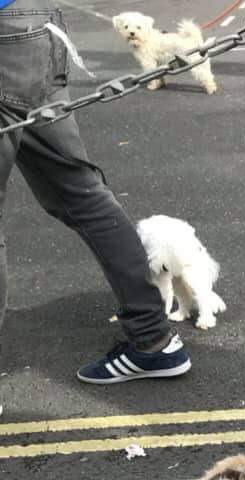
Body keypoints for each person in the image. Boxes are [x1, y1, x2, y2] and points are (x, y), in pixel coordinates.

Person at [0, 5, 190, 384]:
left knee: (80, 193)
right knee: (81, 192)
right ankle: (154, 340)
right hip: (31, 22)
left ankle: (153, 340)